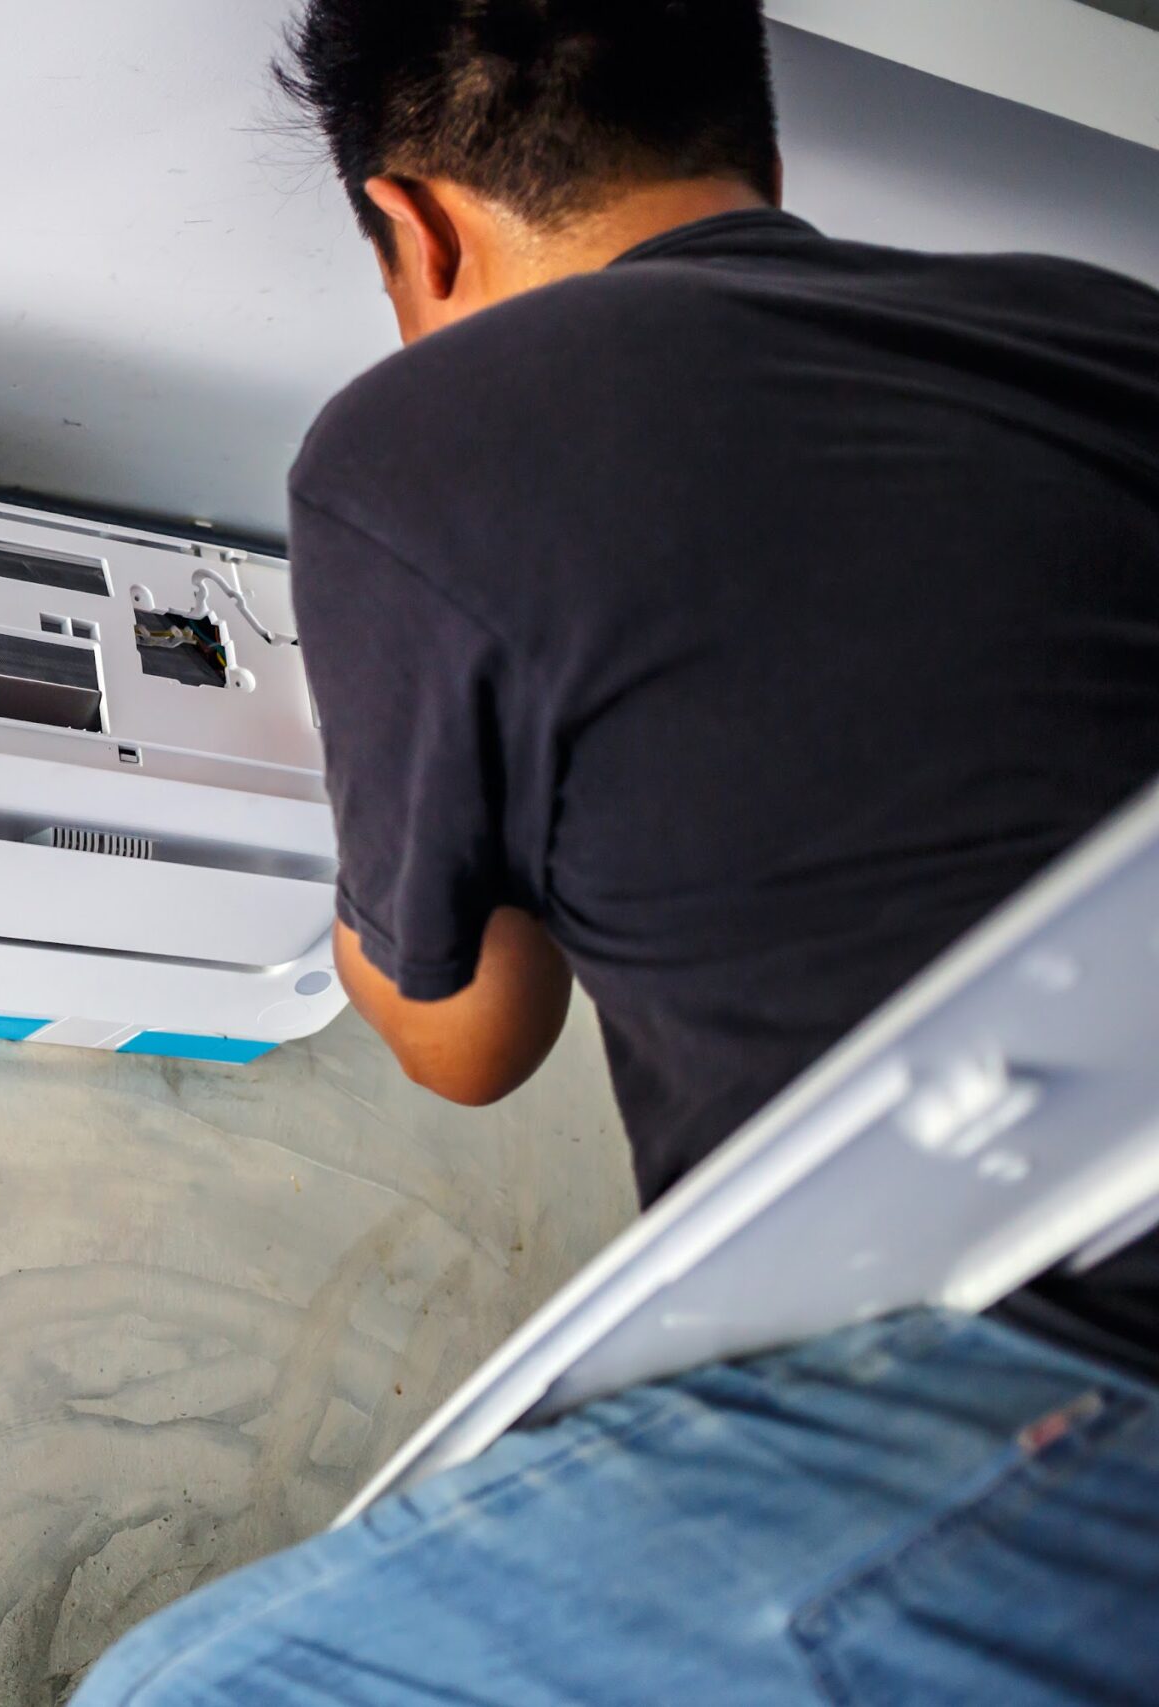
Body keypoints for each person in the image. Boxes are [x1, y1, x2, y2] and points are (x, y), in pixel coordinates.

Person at [73, 2, 1159, 1701]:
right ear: (769, 168)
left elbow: (467, 1043)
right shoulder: (1104, 328)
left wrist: (401, 799)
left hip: (1046, 1349)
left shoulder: (413, 446)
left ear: (413, 227)